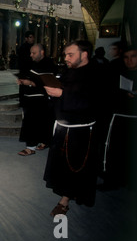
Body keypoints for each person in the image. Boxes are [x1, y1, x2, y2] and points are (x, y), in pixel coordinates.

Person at [43, 40, 106, 217]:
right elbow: (61, 91)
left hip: (81, 131)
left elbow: (92, 101)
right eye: (65, 55)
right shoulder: (69, 72)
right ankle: (65, 193)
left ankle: (65, 200)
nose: (66, 58)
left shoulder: (97, 74)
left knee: (75, 167)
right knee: (62, 166)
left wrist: (62, 94)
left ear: (84, 54)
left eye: (70, 55)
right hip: (64, 127)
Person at [101, 47, 137, 191]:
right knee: (115, 151)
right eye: (126, 57)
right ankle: (112, 180)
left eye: (133, 56)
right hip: (119, 118)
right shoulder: (117, 73)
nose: (129, 60)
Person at [16, 43, 57, 156]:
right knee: (37, 123)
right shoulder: (33, 63)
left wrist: (31, 83)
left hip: (41, 99)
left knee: (35, 123)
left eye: (33, 53)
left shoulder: (49, 64)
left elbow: (50, 82)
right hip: (29, 98)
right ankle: (45, 141)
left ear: (42, 52)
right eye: (30, 53)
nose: (31, 55)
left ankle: (31, 147)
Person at [17, 31, 36, 106]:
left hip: (32, 71)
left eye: (33, 37)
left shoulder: (35, 47)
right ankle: (22, 102)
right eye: (30, 37)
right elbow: (21, 60)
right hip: (24, 70)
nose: (32, 39)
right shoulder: (23, 48)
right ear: (26, 38)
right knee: (23, 87)